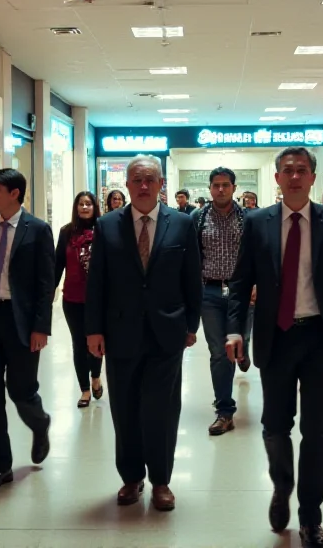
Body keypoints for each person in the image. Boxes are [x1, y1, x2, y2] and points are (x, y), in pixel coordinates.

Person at [226, 147, 323, 547]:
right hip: (276, 335)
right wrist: (235, 329)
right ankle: (282, 485)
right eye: (287, 170)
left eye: (302, 170)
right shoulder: (257, 222)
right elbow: (239, 282)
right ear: (277, 178)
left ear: (313, 177)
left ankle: (310, 517)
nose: (295, 176)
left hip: (320, 337)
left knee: (315, 430)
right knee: (274, 425)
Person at [85, 155, 202, 512]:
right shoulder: (107, 226)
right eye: (137, 179)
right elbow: (97, 283)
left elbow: (191, 278)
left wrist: (192, 324)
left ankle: (162, 481)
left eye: (150, 179)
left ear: (161, 183)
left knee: (162, 409)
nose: (144, 186)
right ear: (128, 184)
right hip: (121, 332)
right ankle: (131, 477)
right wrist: (93, 330)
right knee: (125, 408)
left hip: (167, 331)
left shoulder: (181, 224)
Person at [0, 169, 54, 495]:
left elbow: (46, 284)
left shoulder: (39, 230)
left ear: (15, 193)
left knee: (21, 390)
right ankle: (0, 465)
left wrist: (41, 327)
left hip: (23, 322)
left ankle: (39, 422)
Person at [191, 167, 246, 435]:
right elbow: (190, 257)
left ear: (234, 188)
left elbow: (259, 255)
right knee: (219, 352)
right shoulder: (198, 218)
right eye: (216, 185)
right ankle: (225, 410)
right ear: (210, 188)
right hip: (210, 293)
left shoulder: (248, 218)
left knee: (238, 344)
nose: (221, 189)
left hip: (243, 293)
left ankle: (243, 353)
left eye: (226, 185)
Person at [55, 191, 103, 408]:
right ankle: (84, 389)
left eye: (88, 204)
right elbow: (57, 263)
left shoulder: (103, 229)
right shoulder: (66, 232)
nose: (84, 207)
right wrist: (50, 290)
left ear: (94, 207)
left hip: (98, 298)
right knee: (78, 343)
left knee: (97, 340)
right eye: (81, 204)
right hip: (73, 298)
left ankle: (96, 377)